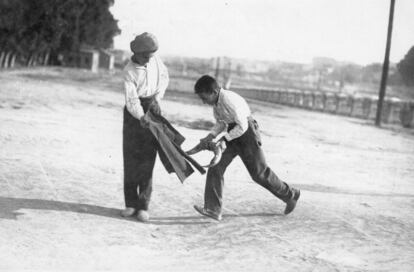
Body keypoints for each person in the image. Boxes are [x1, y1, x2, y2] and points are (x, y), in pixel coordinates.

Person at [192, 75, 300, 221]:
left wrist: (224, 139)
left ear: (214, 91)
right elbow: (221, 123)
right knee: (216, 167)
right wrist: (210, 136)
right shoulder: (216, 103)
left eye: (204, 97)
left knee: (259, 174)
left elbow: (242, 126)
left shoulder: (229, 100)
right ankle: (213, 209)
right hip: (233, 132)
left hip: (247, 133)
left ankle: (291, 195)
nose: (204, 102)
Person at [121, 32, 169, 222]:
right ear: (138, 53)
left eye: (151, 55)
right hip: (134, 115)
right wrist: (141, 116)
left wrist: (157, 98)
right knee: (131, 158)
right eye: (146, 56)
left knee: (148, 158)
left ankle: (143, 206)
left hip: (153, 108)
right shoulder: (129, 71)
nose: (149, 59)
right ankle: (131, 204)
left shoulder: (156, 60)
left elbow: (164, 78)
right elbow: (132, 99)